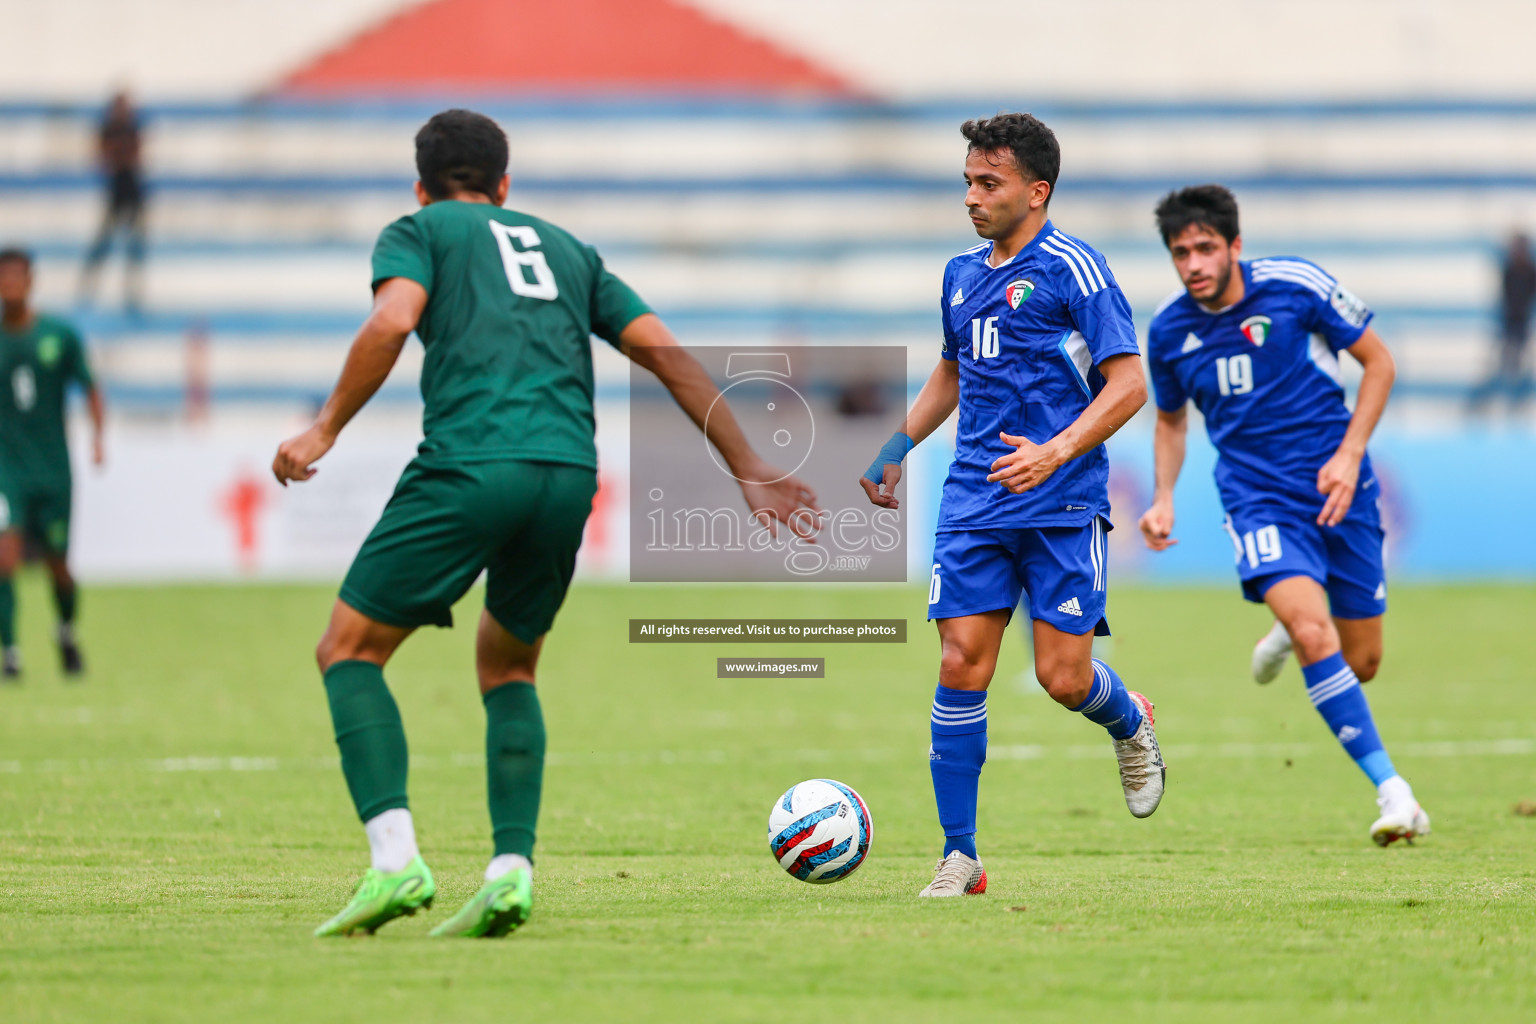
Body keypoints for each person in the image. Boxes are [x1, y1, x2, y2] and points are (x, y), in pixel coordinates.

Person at [272, 109, 819, 938]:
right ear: (505, 184)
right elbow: (665, 351)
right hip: (567, 473)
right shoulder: (566, 249)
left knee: (347, 649)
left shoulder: (420, 230)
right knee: (509, 664)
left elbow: (392, 319)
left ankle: (395, 862)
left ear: (423, 186)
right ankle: (510, 872)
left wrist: (322, 429)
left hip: (471, 463)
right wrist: (747, 463)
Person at [859, 113, 1165, 899]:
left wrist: (1054, 451)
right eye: (967, 181)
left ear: (1037, 191)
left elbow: (1128, 384)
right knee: (961, 661)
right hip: (972, 498)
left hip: (1061, 501)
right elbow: (953, 373)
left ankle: (1128, 718)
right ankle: (959, 856)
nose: (971, 196)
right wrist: (897, 447)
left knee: (1064, 679)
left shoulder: (1075, 269)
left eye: (987, 183)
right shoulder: (960, 273)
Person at [1138, 184, 1429, 846]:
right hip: (1255, 495)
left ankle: (1285, 629)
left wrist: (1352, 454)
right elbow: (1171, 419)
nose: (1193, 264)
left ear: (1235, 246)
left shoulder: (1297, 286)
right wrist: (1162, 496)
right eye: (1180, 252)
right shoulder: (1169, 328)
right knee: (1313, 631)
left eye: (1205, 248)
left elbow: (1379, 363)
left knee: (1364, 659)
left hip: (1337, 484)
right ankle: (1395, 792)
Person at [0, 247, 104, 679]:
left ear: (31, 281)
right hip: (7, 471)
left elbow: (90, 387)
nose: (10, 286)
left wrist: (99, 437)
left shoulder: (59, 336)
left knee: (57, 565)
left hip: (53, 471)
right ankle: (11, 654)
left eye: (16, 277)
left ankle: (65, 630)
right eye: (3, 278)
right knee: (4, 559)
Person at [79, 90, 146, 313]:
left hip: (131, 190)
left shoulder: (131, 128)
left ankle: (132, 295)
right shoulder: (110, 130)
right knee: (104, 243)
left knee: (133, 246)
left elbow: (136, 157)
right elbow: (102, 157)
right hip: (118, 189)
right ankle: (89, 290)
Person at [1469, 231, 1535, 409]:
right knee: (1501, 361)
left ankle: (1517, 396)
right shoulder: (1509, 271)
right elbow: (1507, 296)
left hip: (1521, 323)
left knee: (1520, 361)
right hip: (1508, 322)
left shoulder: (1529, 272)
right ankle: (1495, 395)